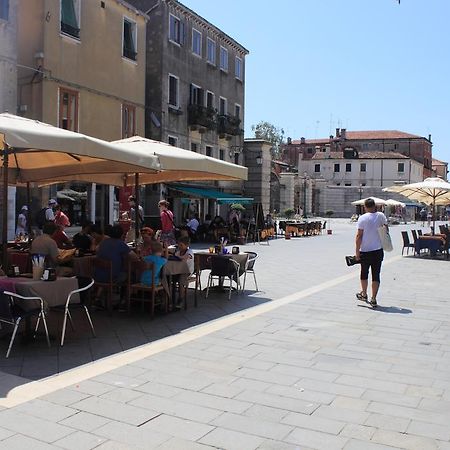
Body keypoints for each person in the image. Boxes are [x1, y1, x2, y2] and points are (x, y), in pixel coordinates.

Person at [95, 224, 138, 309]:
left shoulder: (103, 242)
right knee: (131, 276)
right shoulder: (120, 244)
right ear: (121, 235)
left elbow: (97, 251)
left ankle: (98, 298)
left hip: (97, 276)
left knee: (111, 272)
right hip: (112, 277)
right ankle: (123, 301)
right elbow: (134, 257)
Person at [355, 197, 388, 308]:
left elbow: (359, 236)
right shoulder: (381, 216)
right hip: (378, 250)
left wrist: (357, 252)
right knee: (376, 274)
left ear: (365, 207)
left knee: (364, 273)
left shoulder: (362, 218)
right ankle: (373, 298)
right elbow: (386, 230)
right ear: (375, 206)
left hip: (365, 250)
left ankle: (364, 294)